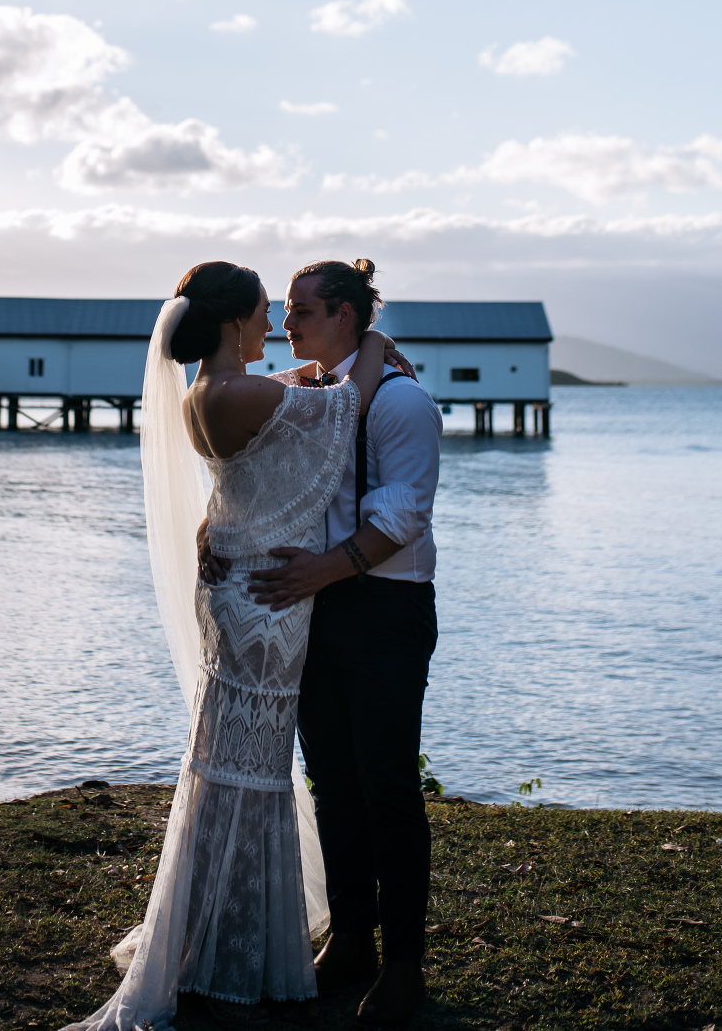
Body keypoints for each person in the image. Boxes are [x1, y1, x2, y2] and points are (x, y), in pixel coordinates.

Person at [64, 260, 407, 1031]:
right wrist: (376, 345)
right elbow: (345, 404)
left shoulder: (204, 394)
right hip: (267, 601)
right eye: (261, 313)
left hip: (231, 591)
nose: (271, 326)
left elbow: (271, 421)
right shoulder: (247, 394)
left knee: (226, 765)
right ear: (229, 324)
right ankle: (237, 945)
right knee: (252, 772)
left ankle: (209, 927)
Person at [245, 259, 442, 1029]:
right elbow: (278, 385)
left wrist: (318, 572)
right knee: (329, 778)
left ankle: (404, 967)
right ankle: (352, 941)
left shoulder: (402, 403)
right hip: (318, 609)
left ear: (342, 316)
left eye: (299, 309)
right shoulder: (321, 388)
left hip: (384, 612)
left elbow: (403, 517)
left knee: (389, 785)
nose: (286, 321)